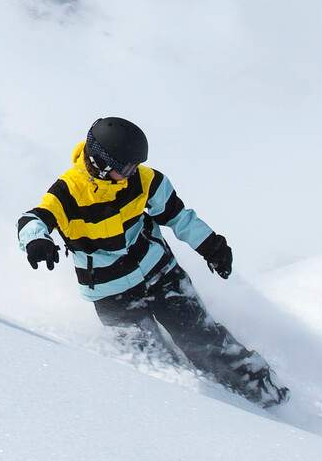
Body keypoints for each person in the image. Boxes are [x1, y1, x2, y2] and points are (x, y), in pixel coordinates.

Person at [16, 116, 288, 407]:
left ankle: (270, 398)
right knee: (154, 366)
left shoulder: (144, 180)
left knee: (202, 339)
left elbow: (179, 217)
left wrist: (211, 246)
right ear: (102, 164)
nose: (134, 172)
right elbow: (32, 219)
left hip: (162, 274)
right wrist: (37, 240)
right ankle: (196, 417)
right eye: (127, 167)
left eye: (135, 165)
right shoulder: (68, 192)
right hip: (112, 295)